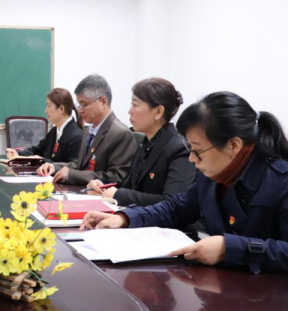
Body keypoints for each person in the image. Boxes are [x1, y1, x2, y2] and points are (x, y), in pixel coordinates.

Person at [81, 92, 288, 274]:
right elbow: (177, 208)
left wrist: (230, 248)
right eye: (189, 149)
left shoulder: (281, 181)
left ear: (233, 145)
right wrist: (125, 218)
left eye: (197, 151)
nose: (191, 159)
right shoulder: (213, 172)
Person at [85, 78, 196, 206]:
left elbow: (172, 202)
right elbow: (130, 185)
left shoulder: (179, 148)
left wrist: (118, 195)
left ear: (158, 112)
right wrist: (102, 186)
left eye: (135, 104)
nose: (130, 111)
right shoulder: (147, 143)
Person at [37, 75, 137, 185]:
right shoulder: (90, 129)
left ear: (103, 102)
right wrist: (54, 167)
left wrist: (72, 175)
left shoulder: (120, 134)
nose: (80, 110)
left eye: (84, 105)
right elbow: (81, 164)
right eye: (79, 105)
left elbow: (117, 177)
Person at [5, 88, 83, 163]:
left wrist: (42, 160)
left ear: (61, 109)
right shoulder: (54, 131)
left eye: (49, 106)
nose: (46, 111)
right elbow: (38, 150)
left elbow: (70, 166)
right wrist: (18, 154)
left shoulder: (76, 136)